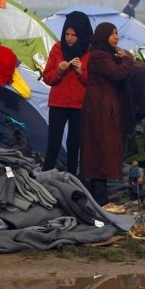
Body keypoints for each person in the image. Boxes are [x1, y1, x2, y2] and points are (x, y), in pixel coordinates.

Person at [80, 22, 135, 206]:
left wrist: (121, 58)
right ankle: (99, 198)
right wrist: (127, 59)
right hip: (100, 112)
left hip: (104, 110)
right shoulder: (99, 56)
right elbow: (118, 73)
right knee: (99, 151)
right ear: (103, 36)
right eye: (112, 33)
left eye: (117, 33)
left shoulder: (106, 54)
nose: (116, 37)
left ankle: (100, 196)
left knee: (102, 152)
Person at [42, 10, 92, 175]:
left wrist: (80, 72)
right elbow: (47, 78)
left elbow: (93, 82)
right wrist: (59, 71)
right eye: (67, 34)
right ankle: (46, 174)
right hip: (58, 103)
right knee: (53, 143)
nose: (69, 38)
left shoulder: (89, 53)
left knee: (74, 144)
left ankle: (72, 177)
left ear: (82, 35)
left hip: (79, 105)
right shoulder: (57, 49)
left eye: (74, 35)